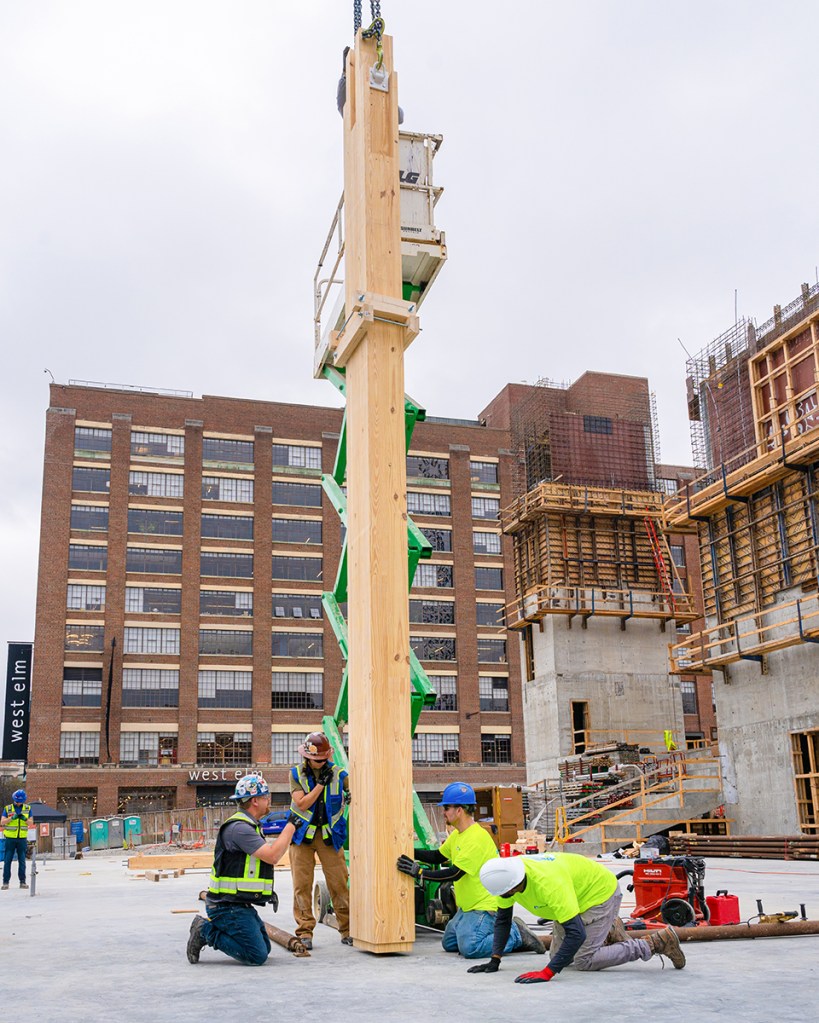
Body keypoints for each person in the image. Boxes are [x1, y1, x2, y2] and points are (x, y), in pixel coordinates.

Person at [468, 853, 685, 983]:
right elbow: (503, 920)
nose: (503, 898)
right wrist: (494, 959)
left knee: (584, 961)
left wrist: (547, 973)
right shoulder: (509, 875)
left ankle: (655, 943)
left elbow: (576, 933)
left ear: (512, 888)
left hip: (599, 895)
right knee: (560, 956)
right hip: (575, 898)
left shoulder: (548, 885)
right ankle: (608, 930)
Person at [396, 782, 543, 959]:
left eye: (447, 808)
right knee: (449, 944)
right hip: (467, 908)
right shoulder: (458, 834)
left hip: (484, 907)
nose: (443, 812)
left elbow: (455, 873)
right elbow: (437, 857)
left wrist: (420, 873)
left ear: (459, 810)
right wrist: (407, 850)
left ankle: (516, 934)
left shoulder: (476, 837)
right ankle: (485, 930)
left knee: (471, 948)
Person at [187, 773, 297, 966]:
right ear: (255, 801)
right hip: (225, 906)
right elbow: (272, 856)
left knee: (265, 947)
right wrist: (290, 827)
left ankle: (217, 929)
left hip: (237, 903)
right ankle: (204, 930)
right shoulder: (239, 828)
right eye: (265, 797)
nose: (268, 800)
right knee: (256, 955)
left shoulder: (249, 826)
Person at [288, 731, 352, 949]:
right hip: (301, 837)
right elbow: (302, 804)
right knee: (301, 886)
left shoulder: (340, 775)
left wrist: (352, 794)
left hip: (329, 837)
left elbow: (356, 791)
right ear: (307, 757)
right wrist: (320, 785)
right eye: (317, 760)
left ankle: (348, 929)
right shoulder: (296, 775)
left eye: (324, 759)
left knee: (339, 884)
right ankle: (305, 931)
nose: (321, 763)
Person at [1, 789, 33, 890]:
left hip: (22, 838)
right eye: (17, 801)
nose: (19, 803)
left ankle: (22, 882)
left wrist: (24, 819)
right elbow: (2, 822)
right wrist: (12, 818)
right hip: (10, 838)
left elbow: (31, 823)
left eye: (21, 801)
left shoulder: (28, 808)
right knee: (7, 860)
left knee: (22, 860)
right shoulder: (8, 808)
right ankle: (5, 882)